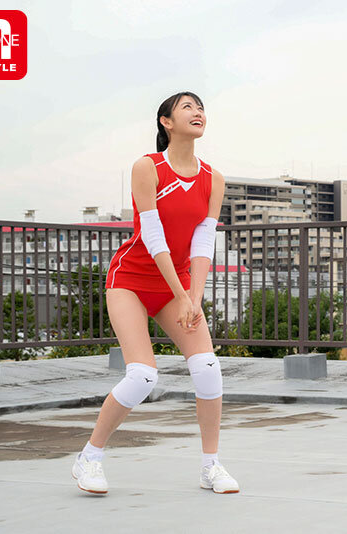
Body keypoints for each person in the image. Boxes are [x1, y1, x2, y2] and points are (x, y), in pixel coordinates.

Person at [71, 92, 239, 494]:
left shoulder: (213, 178)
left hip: (176, 285)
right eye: (187, 107)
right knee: (143, 375)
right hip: (130, 280)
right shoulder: (148, 167)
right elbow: (152, 233)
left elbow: (203, 241)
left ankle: (210, 466)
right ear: (166, 121)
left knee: (207, 368)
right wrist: (182, 294)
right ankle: (89, 457)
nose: (198, 112)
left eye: (201, 107)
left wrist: (193, 298)